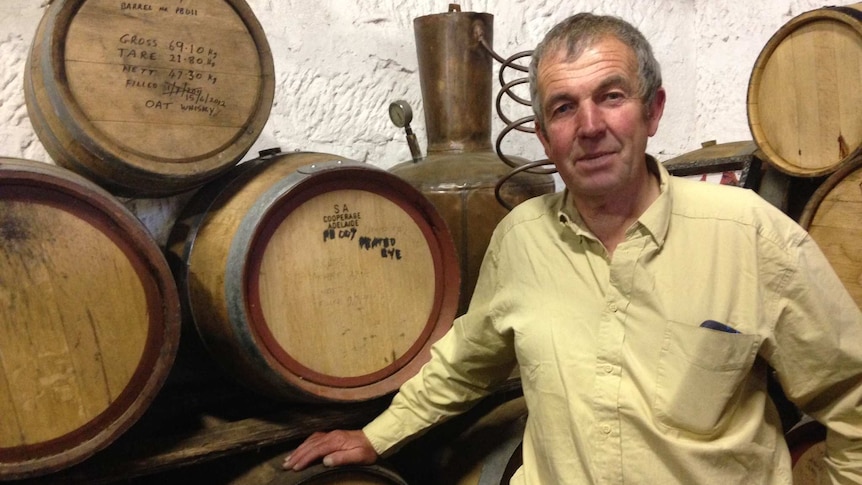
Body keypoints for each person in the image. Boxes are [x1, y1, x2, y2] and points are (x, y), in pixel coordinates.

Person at [283, 12, 862, 484]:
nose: (589, 125)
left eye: (611, 96)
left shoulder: (750, 235)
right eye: (563, 107)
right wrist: (376, 435)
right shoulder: (521, 239)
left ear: (652, 111)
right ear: (544, 135)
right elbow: (466, 365)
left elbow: (850, 393)